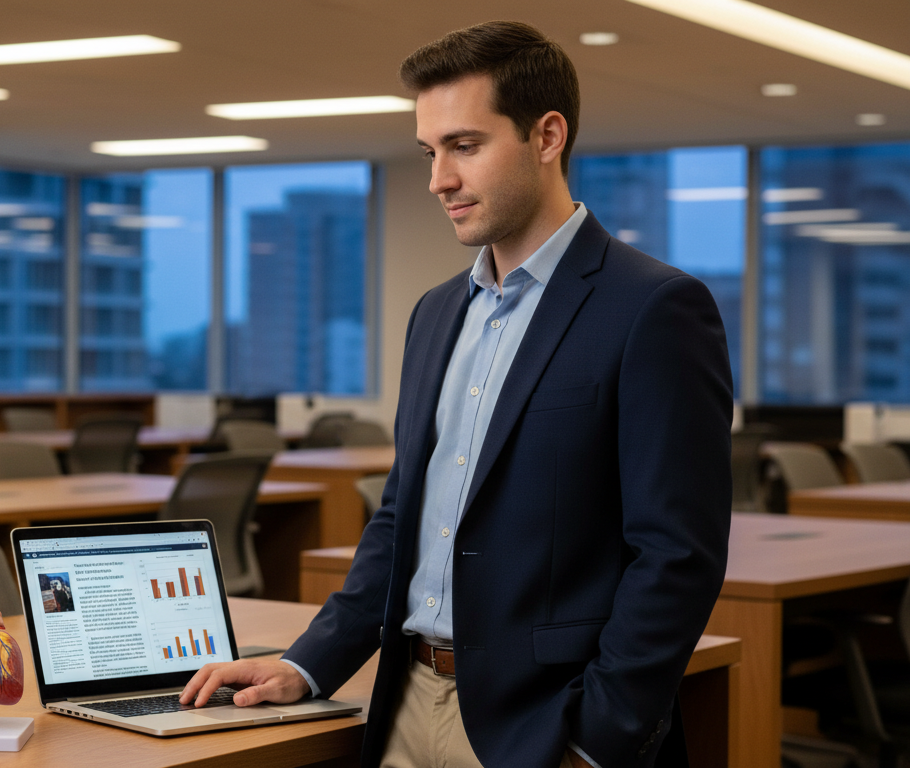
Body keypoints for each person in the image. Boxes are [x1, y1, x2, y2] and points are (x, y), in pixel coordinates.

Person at [181, 20, 732, 768]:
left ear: (547, 136)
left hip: (545, 728)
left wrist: (596, 739)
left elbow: (676, 555)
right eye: (429, 151)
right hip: (405, 704)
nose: (439, 178)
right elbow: (401, 519)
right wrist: (309, 662)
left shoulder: (654, 308)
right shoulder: (437, 312)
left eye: (464, 146)